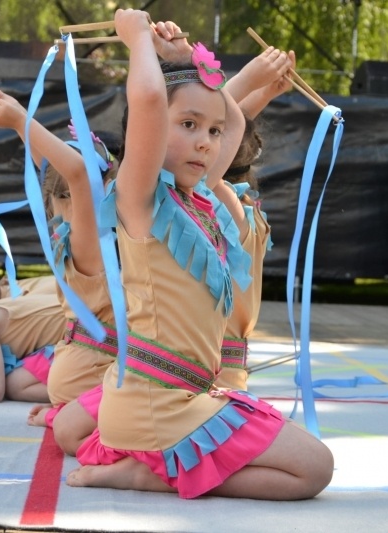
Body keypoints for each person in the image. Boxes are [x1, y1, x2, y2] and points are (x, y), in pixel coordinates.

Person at [67, 9, 333, 501]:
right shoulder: (140, 199)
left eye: (211, 133)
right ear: (149, 133)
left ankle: (154, 468)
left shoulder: (199, 199)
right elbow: (148, 99)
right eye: (188, 125)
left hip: (184, 396)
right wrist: (137, 42)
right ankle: (149, 474)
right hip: (157, 401)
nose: (206, 142)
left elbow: (232, 116)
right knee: (315, 468)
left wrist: (184, 62)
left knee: (313, 467)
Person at [0, 88, 118, 441]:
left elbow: (70, 174)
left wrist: (21, 123)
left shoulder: (87, 238)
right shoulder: (83, 239)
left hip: (88, 378)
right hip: (86, 378)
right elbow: (73, 173)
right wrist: (20, 119)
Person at [211, 46, 296, 390]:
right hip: (217, 376)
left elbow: (223, 126)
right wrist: (264, 90)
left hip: (202, 381)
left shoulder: (220, 201)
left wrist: (247, 80)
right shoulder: (244, 205)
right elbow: (231, 124)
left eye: (205, 132)